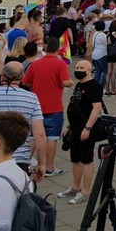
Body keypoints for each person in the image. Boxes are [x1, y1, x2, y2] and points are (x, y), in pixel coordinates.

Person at [0, 62, 47, 182]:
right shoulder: (32, 98)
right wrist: (42, 164)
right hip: (20, 160)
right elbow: (40, 135)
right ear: (22, 78)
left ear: (2, 76)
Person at [21, 36, 73, 177]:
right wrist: (70, 82)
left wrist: (35, 86)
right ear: (58, 49)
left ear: (45, 47)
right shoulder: (60, 64)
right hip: (54, 106)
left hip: (36, 106)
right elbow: (65, 82)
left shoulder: (36, 64)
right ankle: (48, 167)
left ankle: (24, 163)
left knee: (33, 136)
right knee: (52, 137)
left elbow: (25, 82)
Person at [55, 60, 103, 205]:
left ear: (89, 70)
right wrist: (70, 127)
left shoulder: (94, 86)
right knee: (75, 158)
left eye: (82, 68)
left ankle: (86, 192)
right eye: (77, 67)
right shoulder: (79, 84)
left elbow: (96, 108)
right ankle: (75, 187)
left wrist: (87, 128)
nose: (78, 69)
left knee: (86, 159)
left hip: (86, 129)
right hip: (75, 129)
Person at [89, 20, 109, 88]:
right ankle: (101, 85)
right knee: (105, 71)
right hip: (102, 54)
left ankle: (95, 85)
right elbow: (106, 44)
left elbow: (92, 44)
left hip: (95, 54)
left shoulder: (95, 34)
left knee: (98, 71)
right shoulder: (103, 35)